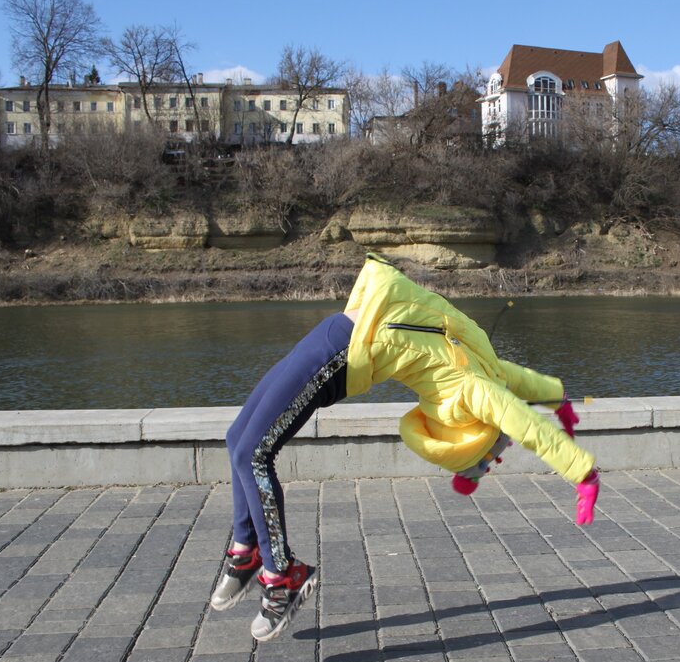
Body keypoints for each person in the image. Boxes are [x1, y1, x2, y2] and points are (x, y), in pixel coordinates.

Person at [211, 253, 601, 641]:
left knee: (245, 447)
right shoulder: (476, 391)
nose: (485, 463)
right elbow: (526, 423)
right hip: (342, 353)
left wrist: (559, 399)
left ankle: (251, 552)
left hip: (339, 334)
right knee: (247, 449)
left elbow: (518, 379)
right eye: (480, 461)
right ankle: (282, 576)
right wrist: (582, 472)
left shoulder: (484, 371)